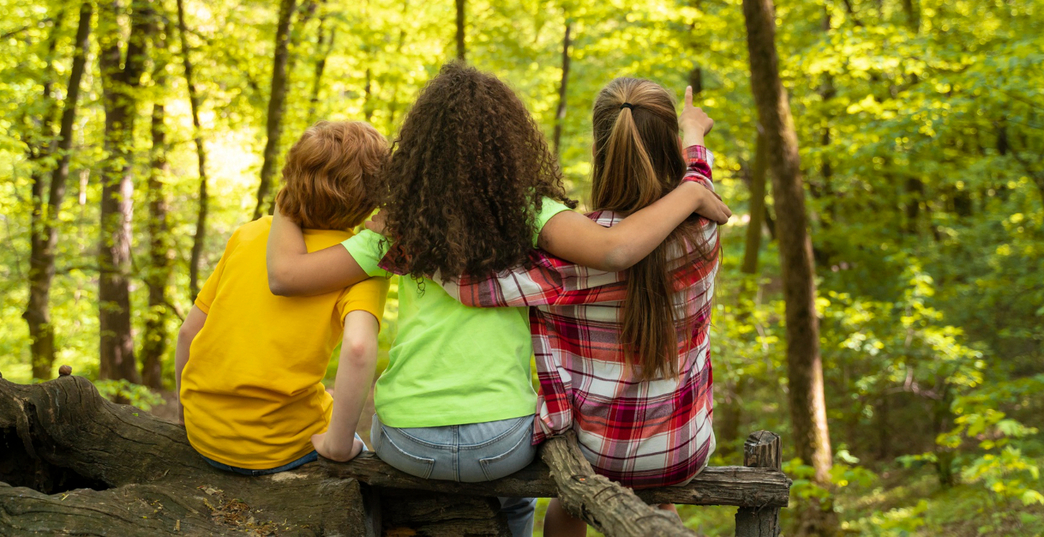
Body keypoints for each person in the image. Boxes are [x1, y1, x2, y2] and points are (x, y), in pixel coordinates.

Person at [266, 62, 729, 537]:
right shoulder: (697, 225)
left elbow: (288, 276)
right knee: (534, 505)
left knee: (535, 504)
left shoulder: (414, 233)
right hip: (619, 447)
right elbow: (661, 211)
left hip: (455, 443)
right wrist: (694, 152)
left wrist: (302, 201)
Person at [434, 78, 723, 537]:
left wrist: (413, 232)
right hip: (683, 449)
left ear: (598, 148)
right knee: (654, 486)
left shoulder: (573, 251)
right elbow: (698, 182)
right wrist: (693, 137)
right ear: (666, 144)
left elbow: (470, 286)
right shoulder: (704, 227)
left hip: (594, 454)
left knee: (566, 508)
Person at [175, 121, 391, 474]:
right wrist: (339, 444)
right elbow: (357, 348)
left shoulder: (248, 235)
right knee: (362, 451)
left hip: (202, 432)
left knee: (326, 397)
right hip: (275, 446)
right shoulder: (360, 264)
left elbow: (188, 333)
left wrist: (187, 419)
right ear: (370, 196)